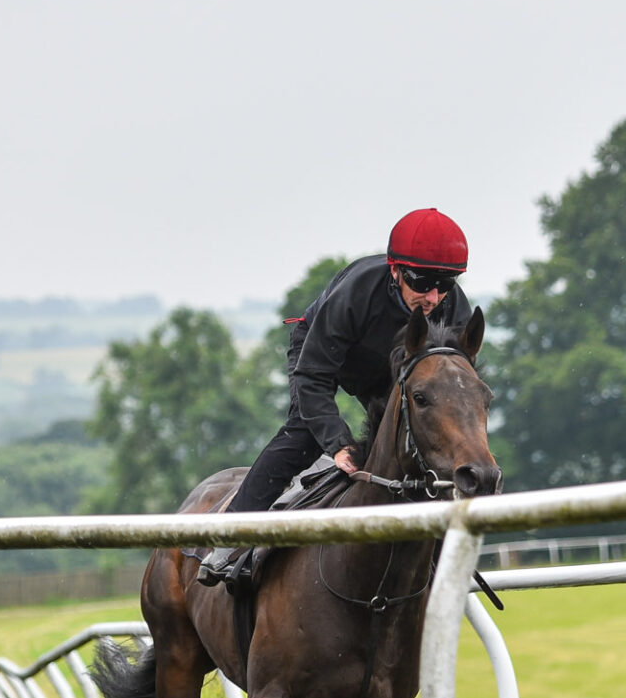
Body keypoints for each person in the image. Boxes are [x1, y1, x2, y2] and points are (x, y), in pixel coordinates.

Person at [197, 208, 473, 585]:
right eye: (422, 282)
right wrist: (339, 443)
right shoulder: (356, 293)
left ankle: (436, 551)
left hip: (390, 367)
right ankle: (230, 537)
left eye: (446, 283)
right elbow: (312, 378)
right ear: (395, 271)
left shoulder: (452, 308)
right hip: (324, 352)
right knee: (305, 434)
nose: (434, 297)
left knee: (409, 441)